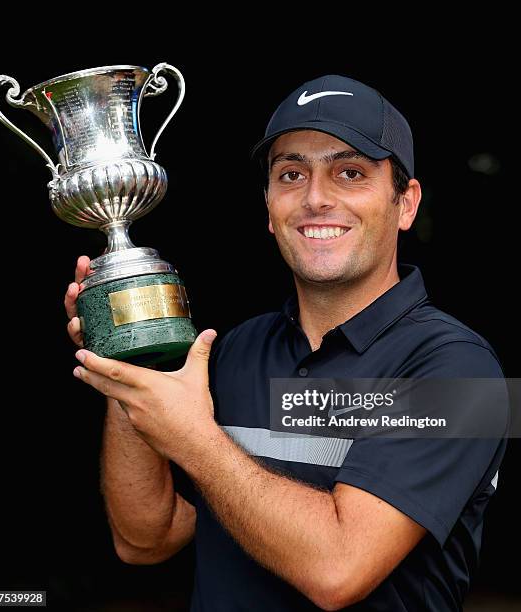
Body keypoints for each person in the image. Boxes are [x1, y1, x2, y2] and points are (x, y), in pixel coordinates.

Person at [64, 74, 509, 611]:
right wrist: (127, 362)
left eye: (349, 173)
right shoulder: (233, 349)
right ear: (270, 208)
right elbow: (144, 541)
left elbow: (338, 569)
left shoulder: (464, 372)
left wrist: (193, 437)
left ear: (406, 203)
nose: (316, 199)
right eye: (291, 174)